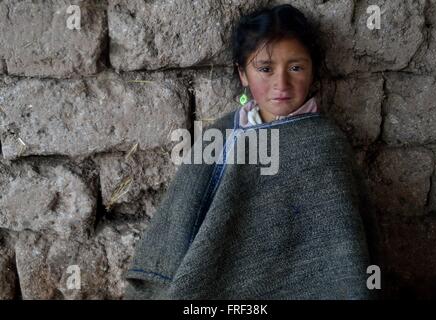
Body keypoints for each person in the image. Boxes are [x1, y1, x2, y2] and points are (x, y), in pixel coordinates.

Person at [124, 4, 377, 300]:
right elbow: (184, 213)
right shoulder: (222, 133)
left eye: (296, 67)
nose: (281, 83)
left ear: (312, 71)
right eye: (265, 69)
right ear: (242, 73)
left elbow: (343, 244)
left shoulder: (325, 145)